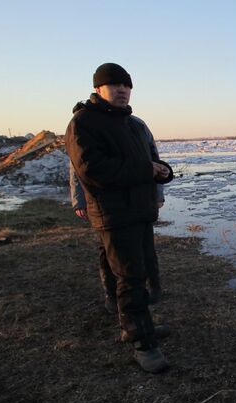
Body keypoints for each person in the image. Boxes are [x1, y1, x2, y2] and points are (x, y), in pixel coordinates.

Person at [65, 62, 174, 374]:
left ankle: (140, 325)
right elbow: (93, 170)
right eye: (115, 85)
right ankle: (142, 344)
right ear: (99, 89)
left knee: (143, 271)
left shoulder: (130, 123)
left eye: (126, 86)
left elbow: (147, 160)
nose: (122, 90)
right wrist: (146, 170)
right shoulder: (83, 122)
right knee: (129, 276)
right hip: (114, 213)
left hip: (139, 209)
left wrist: (162, 171)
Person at [69, 164, 165, 313]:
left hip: (140, 201)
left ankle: (154, 288)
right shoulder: (86, 140)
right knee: (108, 252)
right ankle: (112, 295)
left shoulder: (143, 139)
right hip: (106, 206)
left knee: (146, 247)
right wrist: (78, 200)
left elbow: (155, 164)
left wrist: (158, 194)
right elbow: (79, 168)